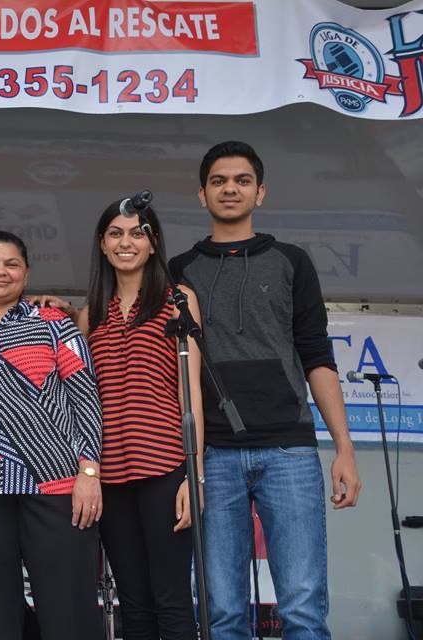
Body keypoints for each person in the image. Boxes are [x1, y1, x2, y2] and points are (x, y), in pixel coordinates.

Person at [169, 140, 362, 638]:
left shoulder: (291, 262)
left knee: (301, 606)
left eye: (241, 180)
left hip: (290, 451)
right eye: (218, 181)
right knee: (222, 613)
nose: (229, 189)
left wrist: (343, 447)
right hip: (213, 456)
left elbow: (317, 355)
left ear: (260, 193)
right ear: (201, 195)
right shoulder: (178, 271)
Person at [35, 201, 204, 639]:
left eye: (136, 233)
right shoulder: (91, 315)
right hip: (109, 475)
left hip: (165, 467)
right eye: (115, 233)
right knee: (133, 602)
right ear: (102, 244)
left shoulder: (178, 301)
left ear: (153, 244)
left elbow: (192, 392)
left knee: (171, 600)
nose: (125, 242)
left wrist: (194, 475)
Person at [0, 230, 104, 639]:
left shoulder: (54, 324)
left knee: (68, 611)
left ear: (27, 273)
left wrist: (89, 473)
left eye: (11, 263)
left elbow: (85, 398)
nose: (1, 271)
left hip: (55, 486)